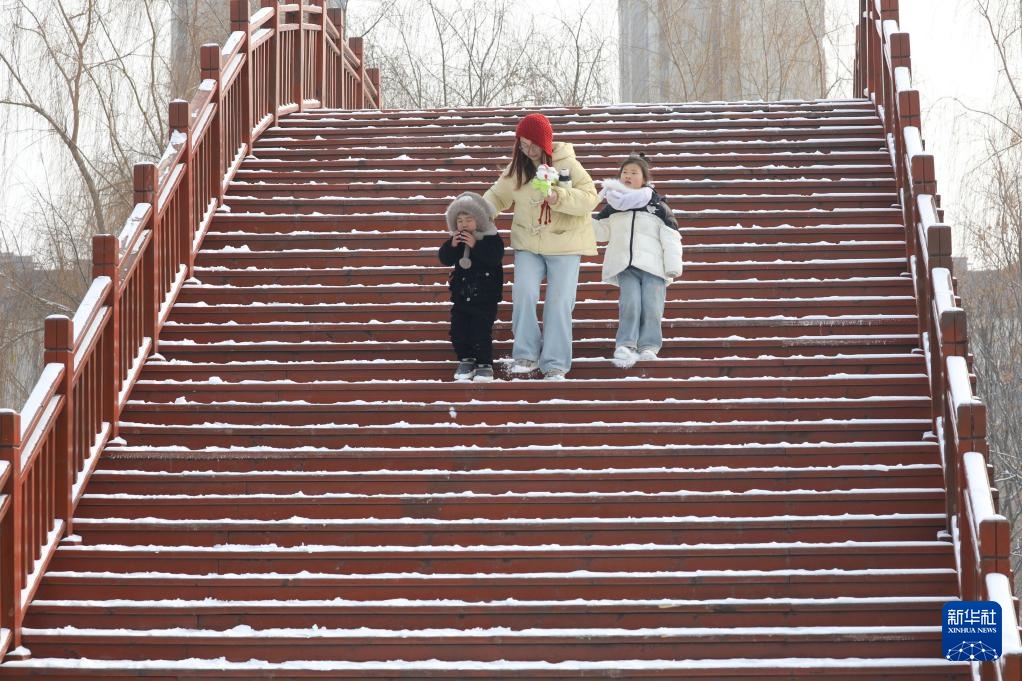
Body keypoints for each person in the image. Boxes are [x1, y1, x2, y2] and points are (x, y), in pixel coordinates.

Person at [482, 113, 599, 380]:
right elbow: (497, 196)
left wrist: (559, 196)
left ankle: (555, 363)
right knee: (523, 293)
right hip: (528, 243)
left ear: (544, 142)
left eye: (533, 144)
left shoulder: (567, 163)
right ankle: (526, 354)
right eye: (523, 144)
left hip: (565, 243)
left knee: (558, 302)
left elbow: (590, 197)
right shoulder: (517, 168)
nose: (528, 150)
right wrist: (476, 215)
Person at [592, 153, 683, 368]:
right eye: (624, 172)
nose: (628, 176)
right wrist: (580, 218)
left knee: (652, 306)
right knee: (630, 304)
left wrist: (673, 266)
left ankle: (649, 346)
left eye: (634, 172)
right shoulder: (613, 206)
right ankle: (626, 344)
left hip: (654, 267)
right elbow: (601, 232)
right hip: (626, 265)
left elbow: (670, 237)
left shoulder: (657, 205)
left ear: (644, 179)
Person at [438, 192, 505, 382]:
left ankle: (484, 364)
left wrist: (476, 244)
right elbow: (445, 258)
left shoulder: (491, 237)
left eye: (469, 220)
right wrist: (452, 245)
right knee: (458, 331)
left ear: (480, 219)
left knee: (480, 331)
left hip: (485, 298)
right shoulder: (457, 240)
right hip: (461, 296)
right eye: (459, 221)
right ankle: (466, 359)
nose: (464, 224)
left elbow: (494, 257)